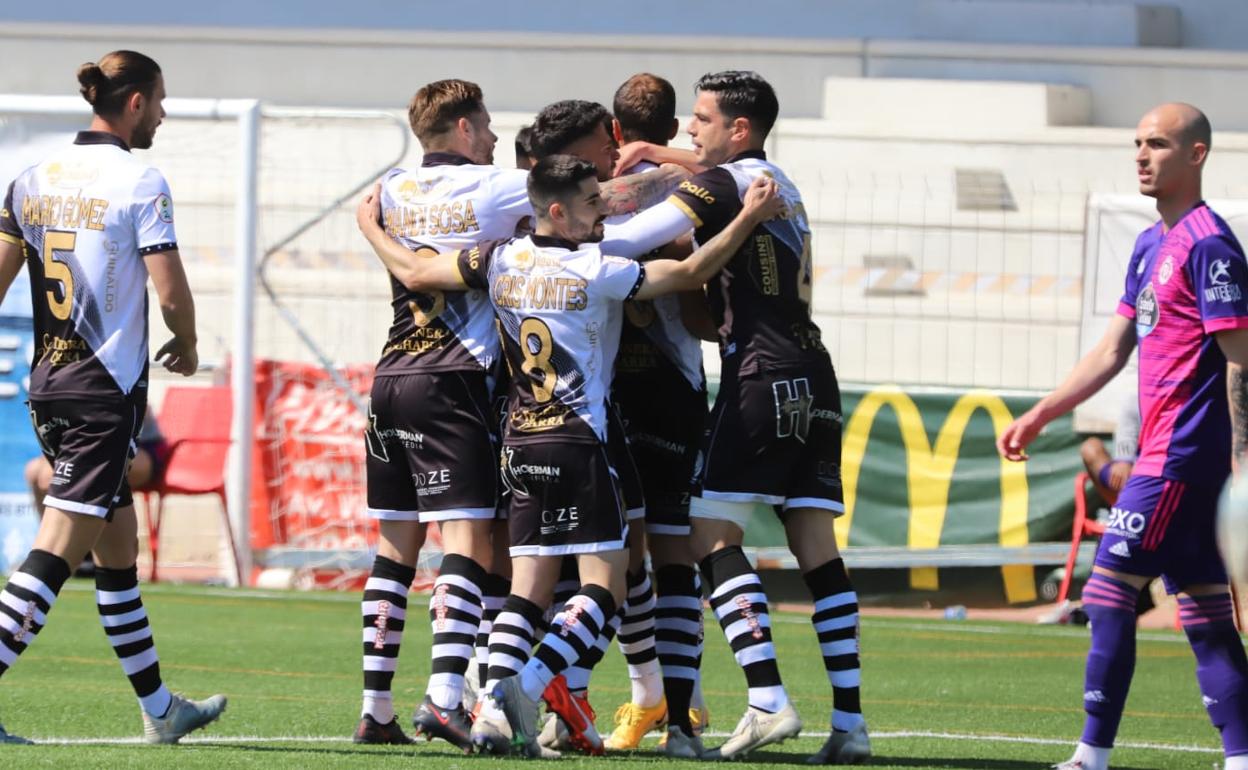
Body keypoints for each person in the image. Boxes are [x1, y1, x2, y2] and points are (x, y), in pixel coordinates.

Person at [357, 154, 781, 759]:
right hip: (582, 442)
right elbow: (688, 273)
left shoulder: (496, 259)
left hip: (520, 441)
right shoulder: (596, 268)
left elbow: (418, 274)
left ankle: (487, 718)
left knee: (529, 592)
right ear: (557, 210)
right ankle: (523, 689)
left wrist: (371, 229)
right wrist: (746, 218)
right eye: (591, 201)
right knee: (608, 584)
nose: (603, 209)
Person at [596, 70, 871, 763]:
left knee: (709, 538)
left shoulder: (721, 187)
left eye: (702, 119)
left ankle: (768, 699)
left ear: (737, 129)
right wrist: (668, 158)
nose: (690, 130)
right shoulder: (781, 181)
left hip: (758, 372)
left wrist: (551, 223)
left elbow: (631, 240)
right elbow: (711, 169)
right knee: (818, 551)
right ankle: (851, 724)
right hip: (815, 371)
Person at [998, 102, 1248, 770]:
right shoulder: (1148, 244)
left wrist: (1243, 464)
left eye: (1158, 144)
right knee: (1206, 617)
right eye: (1137, 143)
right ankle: (1241, 758)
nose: (1141, 154)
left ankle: (1091, 754)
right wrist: (1042, 412)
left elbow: (1241, 358)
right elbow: (1112, 351)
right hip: (1166, 458)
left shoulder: (1210, 245)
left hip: (1180, 458)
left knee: (1108, 591)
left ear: (1195, 155)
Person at [0, 50, 225, 745]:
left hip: (49, 385)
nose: (163, 112)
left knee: (118, 553)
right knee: (57, 550)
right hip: (103, 393)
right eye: (160, 100)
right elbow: (170, 290)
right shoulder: (139, 179)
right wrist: (186, 345)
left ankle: (161, 711)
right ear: (133, 103)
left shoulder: (30, 180)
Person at [601, 72, 714, 752]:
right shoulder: (696, 187)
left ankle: (649, 694)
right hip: (677, 386)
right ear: (674, 130)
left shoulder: (595, 193)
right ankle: (679, 711)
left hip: (609, 386)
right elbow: (704, 319)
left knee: (618, 555)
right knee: (674, 552)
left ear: (614, 132)